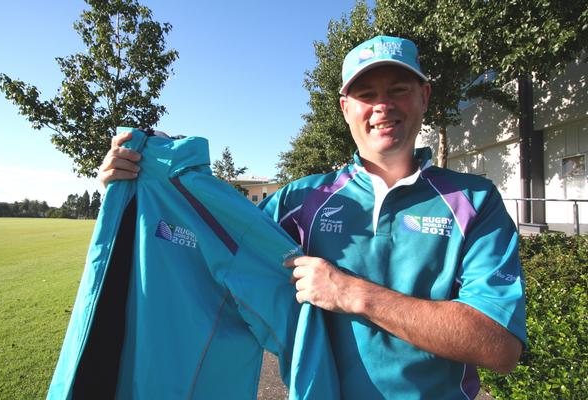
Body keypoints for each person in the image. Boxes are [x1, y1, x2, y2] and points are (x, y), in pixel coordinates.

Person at [99, 36, 526, 399]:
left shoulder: (473, 200)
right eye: (366, 95)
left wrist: (352, 293)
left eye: (398, 89)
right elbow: (206, 251)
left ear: (424, 97)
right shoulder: (301, 199)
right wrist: (133, 196)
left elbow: (499, 346)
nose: (382, 106)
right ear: (345, 107)